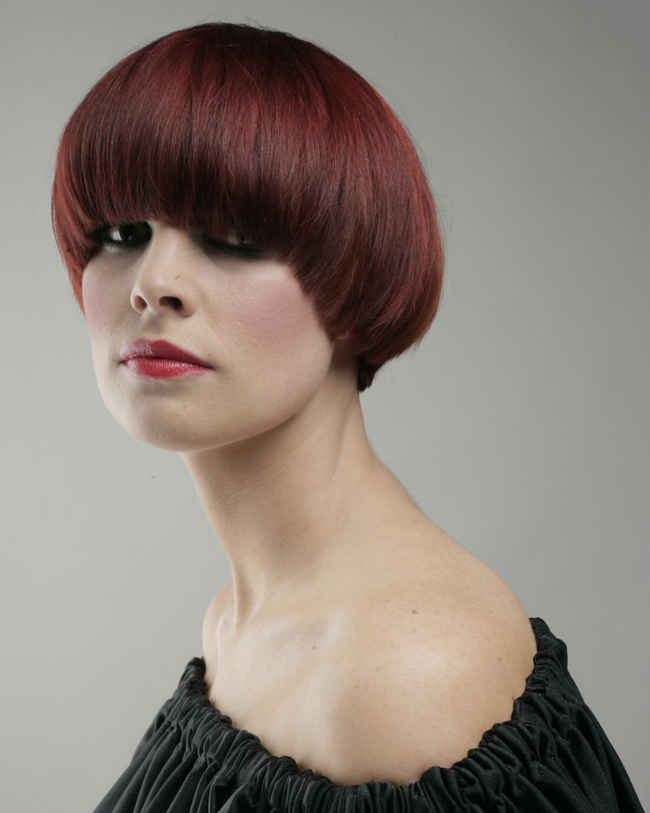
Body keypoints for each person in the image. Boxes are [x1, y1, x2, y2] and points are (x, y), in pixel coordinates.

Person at [50, 20, 644, 813]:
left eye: (234, 238)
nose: (151, 284)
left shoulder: (402, 674)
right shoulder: (239, 620)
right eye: (123, 233)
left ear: (356, 279)